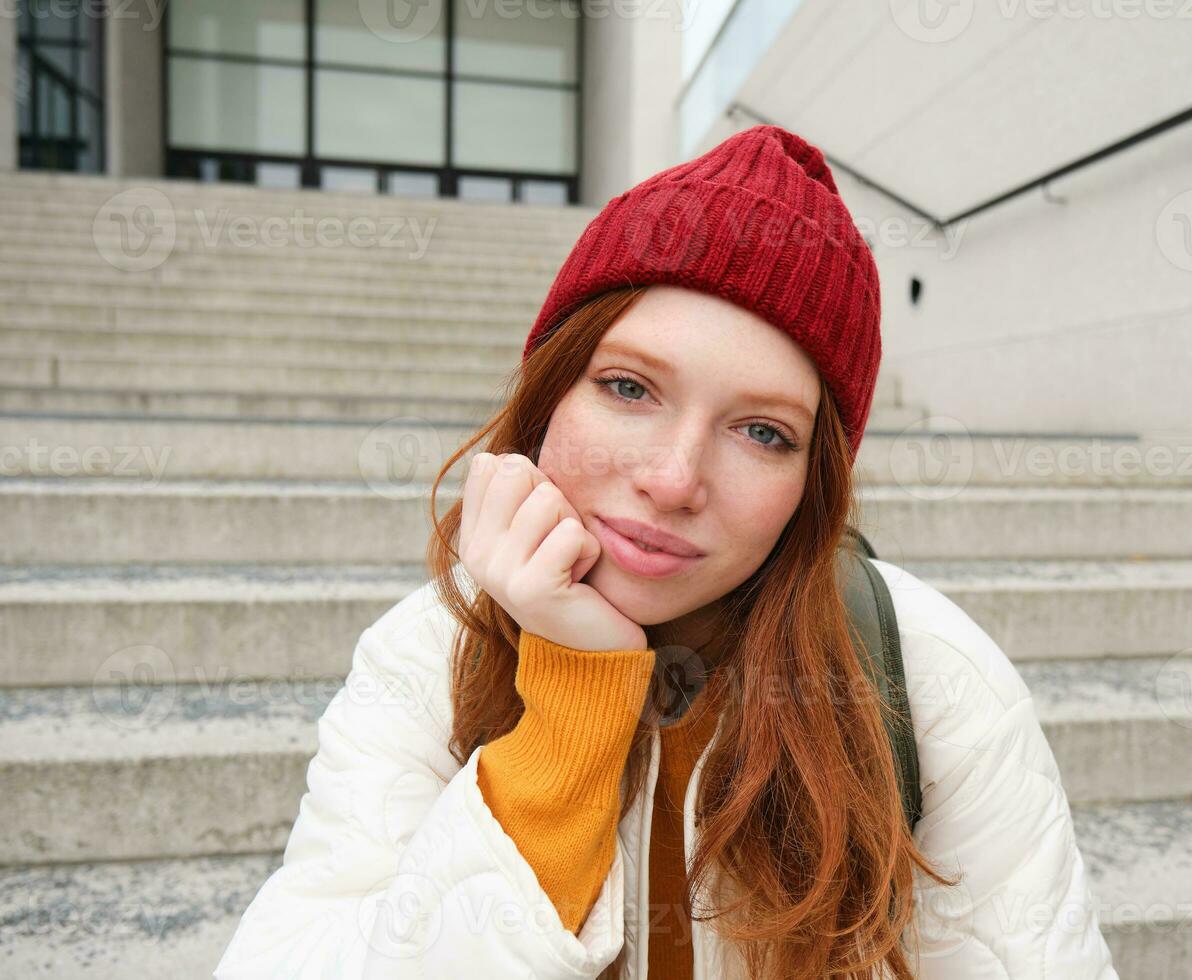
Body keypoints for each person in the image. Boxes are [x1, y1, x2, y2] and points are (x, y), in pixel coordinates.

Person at [215, 125, 1117, 979]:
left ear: (815, 482)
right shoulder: (425, 655)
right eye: (628, 388)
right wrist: (568, 703)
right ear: (548, 395)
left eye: (762, 432)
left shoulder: (929, 675)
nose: (675, 478)